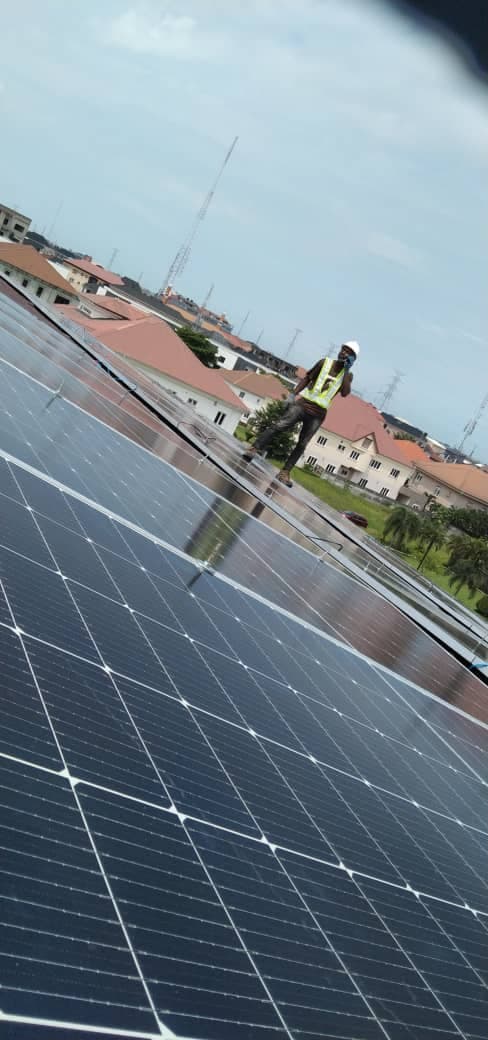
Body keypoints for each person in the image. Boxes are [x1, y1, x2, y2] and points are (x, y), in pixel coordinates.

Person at [242, 341, 360, 486]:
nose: (344, 353)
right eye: (343, 349)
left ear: (353, 358)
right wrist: (293, 394)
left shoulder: (347, 375)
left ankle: (284, 473)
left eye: (349, 352)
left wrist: (347, 371)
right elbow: (307, 378)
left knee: (302, 444)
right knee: (279, 425)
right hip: (303, 405)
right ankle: (254, 448)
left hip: (318, 414)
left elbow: (345, 393)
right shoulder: (325, 363)